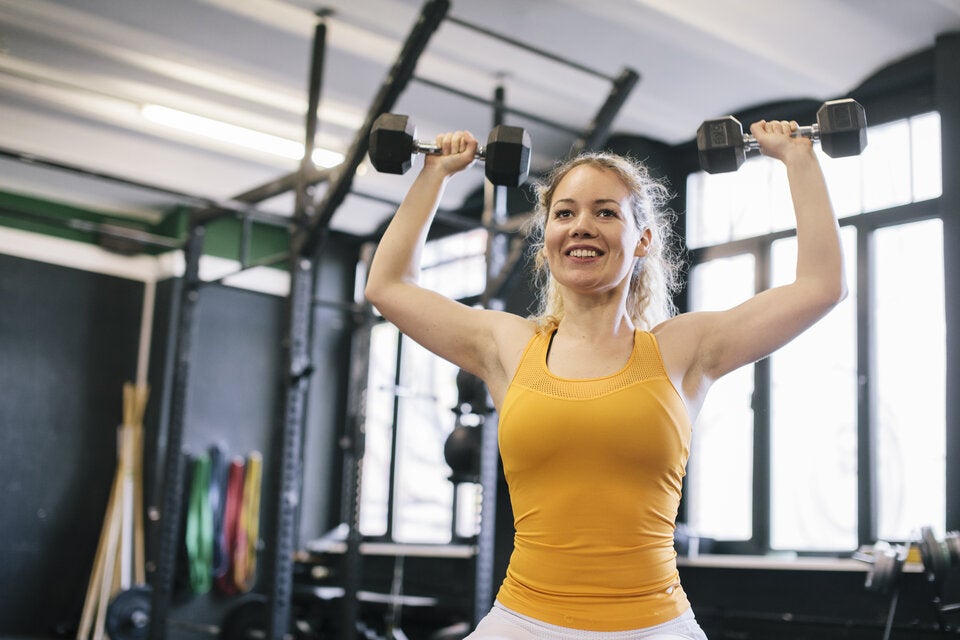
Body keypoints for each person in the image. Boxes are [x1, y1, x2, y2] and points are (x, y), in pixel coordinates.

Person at [364, 119, 846, 640]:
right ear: (546, 238)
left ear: (641, 240)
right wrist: (434, 173)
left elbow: (820, 286)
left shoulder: (681, 351)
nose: (580, 225)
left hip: (654, 626)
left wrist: (799, 159)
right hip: (523, 622)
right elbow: (389, 285)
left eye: (605, 212)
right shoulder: (508, 346)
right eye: (564, 213)